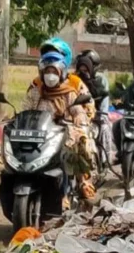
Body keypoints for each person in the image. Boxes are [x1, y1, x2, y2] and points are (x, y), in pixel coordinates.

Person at [22, 50, 96, 204]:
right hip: (39, 133)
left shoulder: (69, 92)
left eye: (53, 71)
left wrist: (79, 117)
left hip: (62, 132)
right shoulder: (36, 91)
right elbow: (25, 109)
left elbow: (78, 110)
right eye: (47, 71)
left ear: (61, 73)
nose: (50, 75)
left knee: (66, 155)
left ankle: (66, 193)